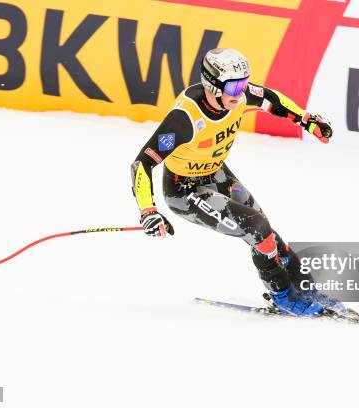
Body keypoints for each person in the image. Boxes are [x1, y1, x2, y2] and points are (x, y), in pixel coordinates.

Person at [130, 48, 333, 316]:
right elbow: (142, 163)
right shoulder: (185, 119)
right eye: (234, 87)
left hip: (216, 174)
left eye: (244, 83)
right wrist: (148, 210)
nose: (240, 93)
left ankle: (304, 288)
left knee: (267, 233)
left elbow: (272, 100)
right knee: (257, 228)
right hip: (185, 191)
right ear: (212, 86)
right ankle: (282, 295)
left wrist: (306, 120)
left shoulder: (237, 96)